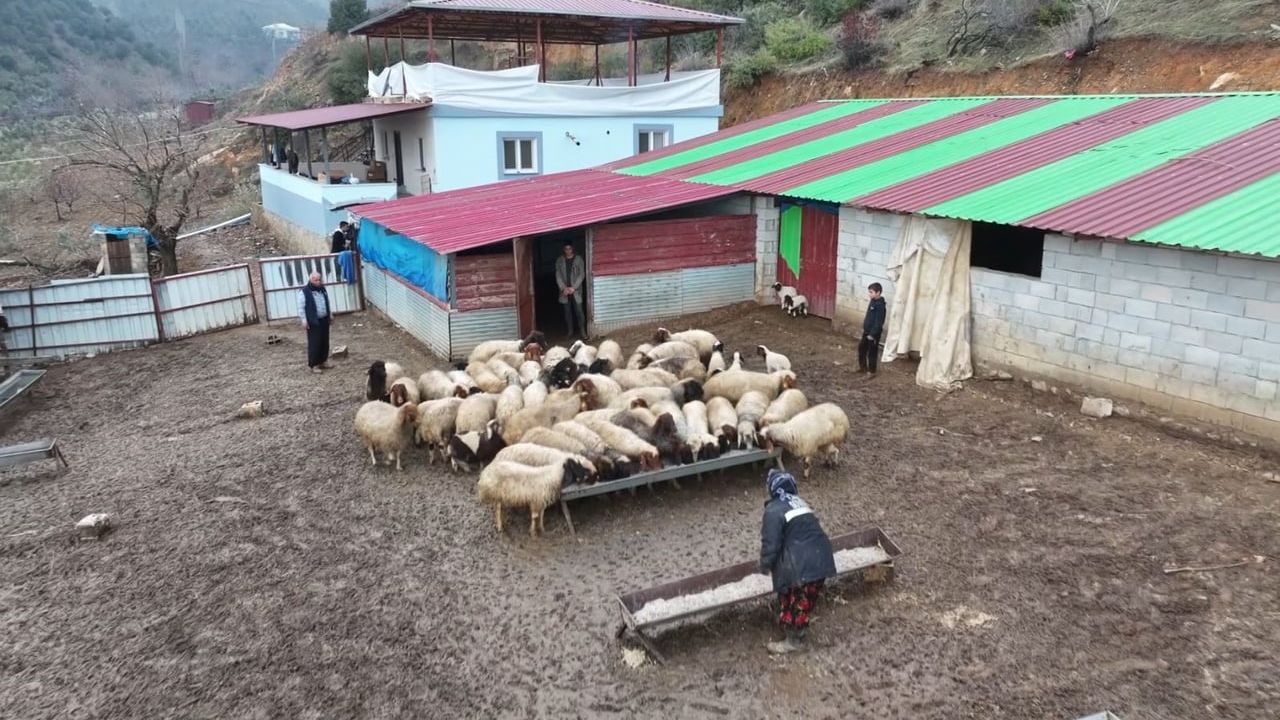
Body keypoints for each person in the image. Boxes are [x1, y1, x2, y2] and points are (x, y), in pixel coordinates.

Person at [759, 468, 836, 655]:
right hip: (822, 557)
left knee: (794, 600)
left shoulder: (773, 509)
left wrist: (765, 565)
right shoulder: (800, 503)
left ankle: (794, 641)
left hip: (801, 563)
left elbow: (771, 542)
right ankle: (797, 632)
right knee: (805, 599)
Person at [298, 272, 332, 374]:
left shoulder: (322, 289)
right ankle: (314, 364)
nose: (318, 282)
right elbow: (301, 308)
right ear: (311, 280)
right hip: (313, 321)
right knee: (315, 343)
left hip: (324, 319)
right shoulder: (304, 292)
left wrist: (330, 315)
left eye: (319, 280)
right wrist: (304, 320)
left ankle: (323, 361)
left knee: (324, 341)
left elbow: (327, 302)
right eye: (315, 280)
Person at [555, 243, 586, 339]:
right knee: (567, 312)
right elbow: (558, 275)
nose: (568, 250)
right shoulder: (560, 260)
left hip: (575, 291)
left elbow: (582, 274)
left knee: (579, 311)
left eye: (569, 248)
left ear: (573, 249)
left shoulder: (579, 259)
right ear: (563, 250)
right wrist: (563, 288)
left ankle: (583, 331)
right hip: (565, 292)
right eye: (566, 249)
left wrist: (574, 287)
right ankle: (570, 332)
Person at [858, 282, 886, 376]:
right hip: (867, 331)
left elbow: (879, 322)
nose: (869, 294)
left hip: (873, 334)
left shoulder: (880, 306)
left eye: (871, 292)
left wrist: (872, 334)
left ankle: (872, 371)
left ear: (878, 293)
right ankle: (863, 368)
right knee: (861, 349)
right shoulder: (872, 301)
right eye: (869, 292)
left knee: (872, 352)